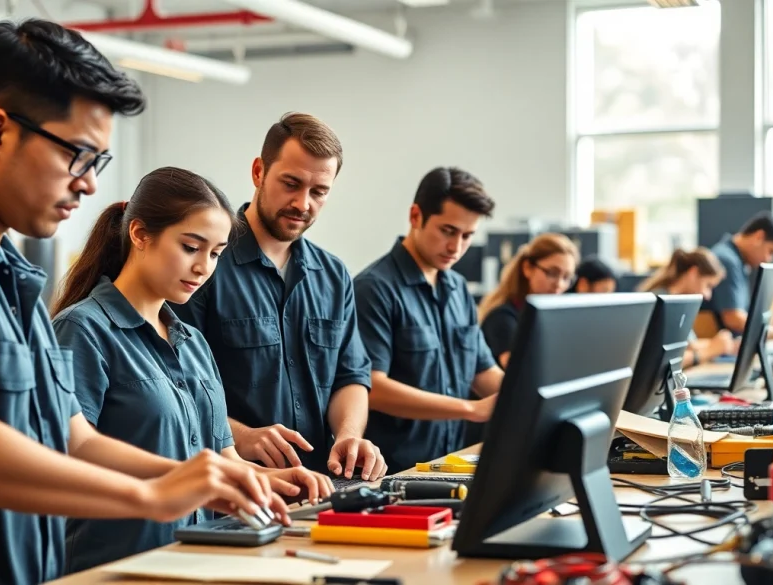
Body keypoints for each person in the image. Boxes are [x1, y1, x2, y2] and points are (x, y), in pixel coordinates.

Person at [0, 20, 285, 585]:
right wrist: (149, 496)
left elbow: (75, 439)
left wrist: (201, 479)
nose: (90, 184)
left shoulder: (10, 274)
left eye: (98, 163)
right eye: (78, 155)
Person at [51, 168, 331, 573]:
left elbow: (222, 458)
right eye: (191, 247)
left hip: (193, 563)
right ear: (140, 234)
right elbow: (68, 454)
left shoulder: (194, 343)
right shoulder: (82, 330)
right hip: (111, 567)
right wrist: (182, 477)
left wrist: (279, 479)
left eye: (215, 254)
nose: (203, 267)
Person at [174, 113, 385, 480]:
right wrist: (242, 437)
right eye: (291, 184)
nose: (303, 204)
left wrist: (349, 435)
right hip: (232, 488)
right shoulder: (203, 267)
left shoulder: (334, 276)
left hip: (320, 483)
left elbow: (350, 375)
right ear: (259, 172)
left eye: (319, 192)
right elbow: (176, 384)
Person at [353, 167, 504, 473]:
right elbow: (371, 388)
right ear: (415, 216)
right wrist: (470, 409)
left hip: (450, 465)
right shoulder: (374, 289)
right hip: (393, 473)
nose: (456, 247)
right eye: (448, 231)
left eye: (467, 236)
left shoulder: (458, 288)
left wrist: (531, 393)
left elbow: (483, 372)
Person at [477, 233, 579, 369]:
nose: (559, 284)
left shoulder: (547, 318)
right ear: (527, 268)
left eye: (566, 277)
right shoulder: (502, 317)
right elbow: (522, 369)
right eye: (552, 273)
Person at [638, 248, 738, 368]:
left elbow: (689, 345)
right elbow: (663, 361)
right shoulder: (662, 303)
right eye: (708, 285)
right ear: (693, 273)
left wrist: (727, 345)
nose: (708, 295)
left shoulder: (678, 303)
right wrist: (710, 350)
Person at [709, 212, 773, 335]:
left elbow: (745, 314)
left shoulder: (738, 261)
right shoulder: (727, 261)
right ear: (759, 237)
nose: (768, 259)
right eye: (771, 251)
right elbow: (733, 318)